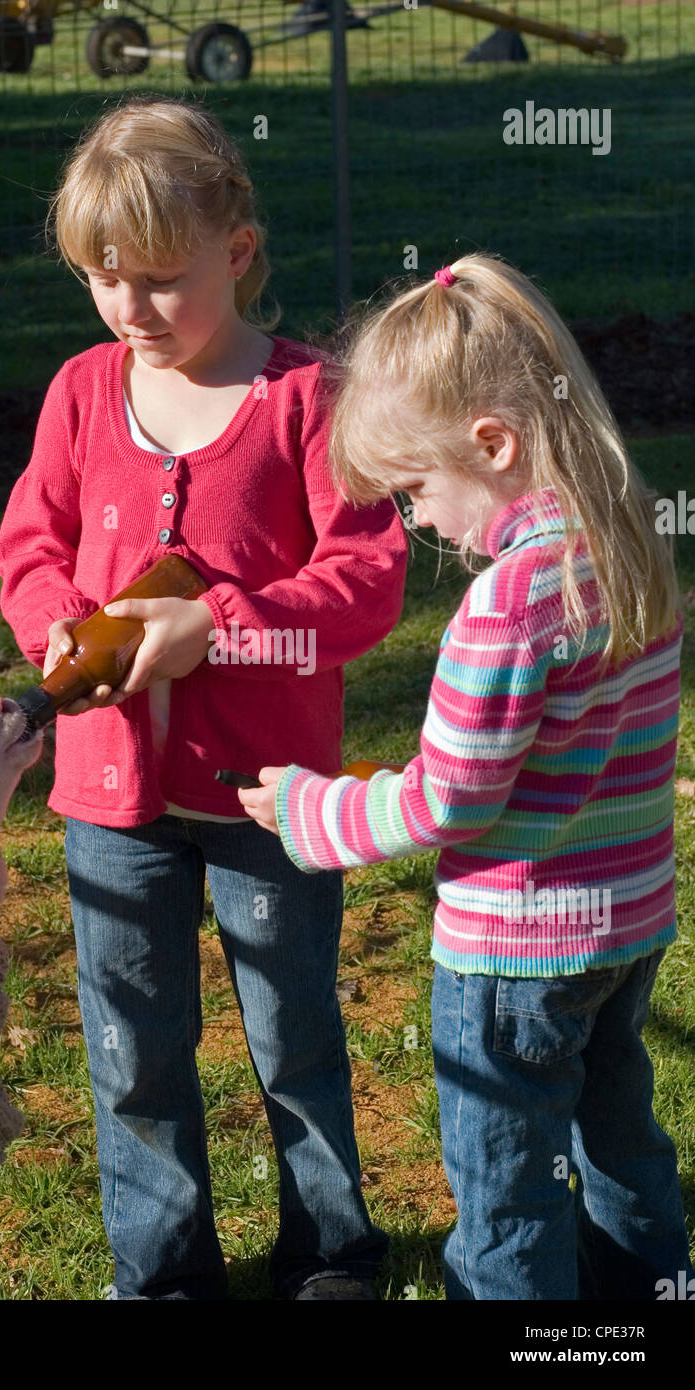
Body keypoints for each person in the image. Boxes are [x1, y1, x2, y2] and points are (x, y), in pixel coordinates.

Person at [0, 95, 408, 1301]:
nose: (130, 309)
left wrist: (216, 628)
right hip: (108, 803)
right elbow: (32, 546)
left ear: (237, 250)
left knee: (294, 1040)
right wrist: (57, 620)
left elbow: (366, 581)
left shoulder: (307, 401)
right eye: (101, 280)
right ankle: (162, 1273)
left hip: (273, 804)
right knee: (132, 1050)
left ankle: (330, 1255)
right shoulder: (80, 393)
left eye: (161, 279)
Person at [239, 254, 694, 1300]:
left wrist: (310, 808)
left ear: (489, 443)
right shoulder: (626, 546)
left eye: (413, 489)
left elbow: (450, 797)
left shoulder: (505, 604)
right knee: (621, 1144)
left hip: (512, 954)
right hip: (623, 929)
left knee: (505, 1192)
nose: (418, 521)